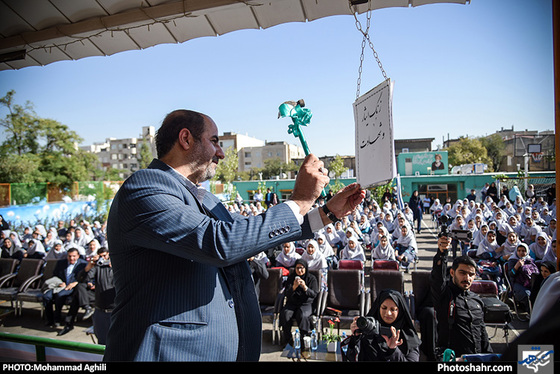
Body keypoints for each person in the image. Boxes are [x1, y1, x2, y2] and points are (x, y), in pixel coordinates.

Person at [103, 109, 365, 362]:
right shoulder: (145, 188)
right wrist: (299, 199)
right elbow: (221, 242)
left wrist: (328, 212)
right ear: (185, 139)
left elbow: (250, 232)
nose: (221, 152)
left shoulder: (204, 198)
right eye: (215, 141)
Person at [431, 230, 493, 357]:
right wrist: (442, 253)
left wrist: (489, 356)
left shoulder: (476, 301)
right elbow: (438, 279)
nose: (467, 278)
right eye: (463, 273)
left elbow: (482, 332)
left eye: (471, 274)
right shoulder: (444, 296)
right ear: (453, 273)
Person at [344, 289, 421, 361]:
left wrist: (393, 350)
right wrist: (355, 338)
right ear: (378, 308)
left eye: (393, 309)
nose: (388, 313)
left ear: (400, 311)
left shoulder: (409, 336)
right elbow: (350, 358)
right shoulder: (368, 329)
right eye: (384, 308)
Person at [43, 248, 88, 331]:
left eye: (74, 256)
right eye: (70, 256)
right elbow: (55, 274)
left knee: (60, 296)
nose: (71, 258)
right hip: (60, 285)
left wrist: (75, 283)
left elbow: (85, 278)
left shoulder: (83, 264)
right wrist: (60, 282)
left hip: (73, 287)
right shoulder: (61, 263)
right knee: (47, 296)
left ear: (78, 256)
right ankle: (49, 319)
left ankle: (57, 319)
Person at [76, 247, 115, 344]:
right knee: (102, 342)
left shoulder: (119, 267)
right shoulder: (98, 267)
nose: (103, 259)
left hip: (116, 311)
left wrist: (116, 267)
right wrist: (89, 266)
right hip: (100, 311)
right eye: (101, 256)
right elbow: (81, 279)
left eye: (105, 256)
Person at [278, 259, 319, 346]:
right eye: (297, 268)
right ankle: (287, 340)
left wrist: (305, 287)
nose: (299, 270)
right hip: (293, 302)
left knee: (302, 315)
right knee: (285, 314)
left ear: (305, 268)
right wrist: (294, 287)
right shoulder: (291, 277)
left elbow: (314, 294)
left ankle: (303, 340)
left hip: (306, 303)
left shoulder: (312, 278)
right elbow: (287, 294)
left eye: (301, 268)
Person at [506, 243, 538, 319]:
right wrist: (516, 267)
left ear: (527, 251)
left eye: (523, 251)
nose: (521, 253)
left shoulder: (530, 260)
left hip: (529, 283)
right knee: (527, 294)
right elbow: (511, 275)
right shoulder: (512, 260)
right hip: (517, 283)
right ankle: (531, 313)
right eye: (519, 250)